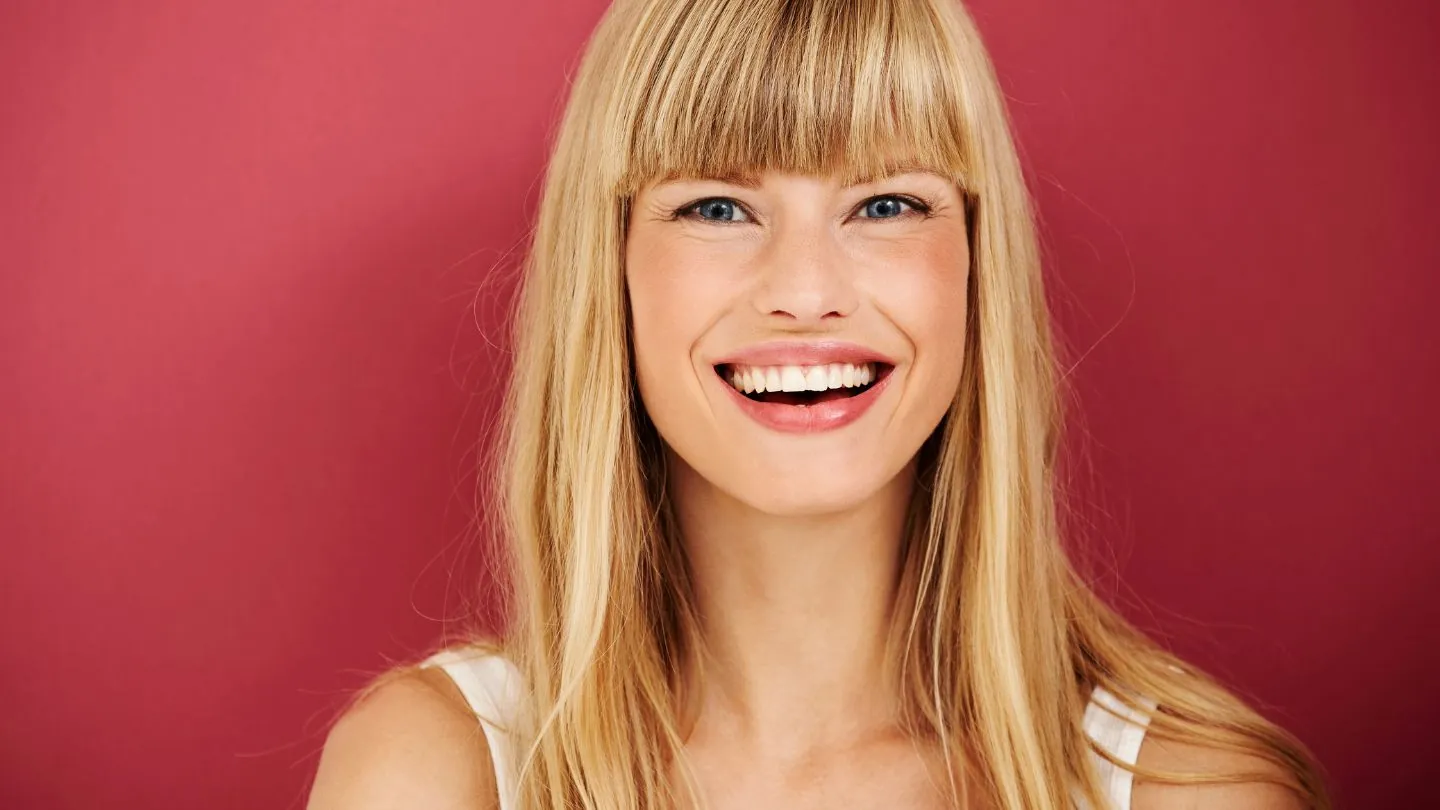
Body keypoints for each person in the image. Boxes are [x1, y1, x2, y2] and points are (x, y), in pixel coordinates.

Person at [306, 1, 1328, 808]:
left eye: (886, 205)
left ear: (978, 263)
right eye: (716, 206)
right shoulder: (435, 777)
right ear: (609, 269)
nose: (804, 289)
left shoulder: (1192, 795)